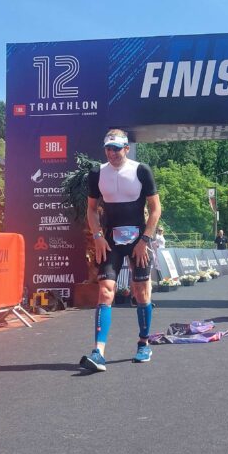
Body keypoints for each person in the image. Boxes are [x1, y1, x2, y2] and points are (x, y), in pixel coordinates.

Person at [80, 129, 161, 372]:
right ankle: (98, 352)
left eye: (117, 148)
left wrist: (145, 240)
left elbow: (155, 209)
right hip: (110, 241)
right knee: (105, 291)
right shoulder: (97, 173)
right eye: (108, 148)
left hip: (138, 240)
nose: (112, 153)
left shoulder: (141, 170)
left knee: (141, 292)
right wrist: (97, 237)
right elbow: (91, 209)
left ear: (126, 148)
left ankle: (144, 343)